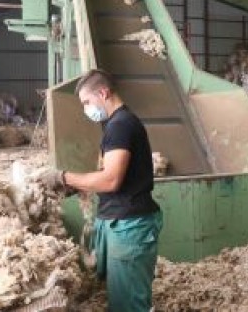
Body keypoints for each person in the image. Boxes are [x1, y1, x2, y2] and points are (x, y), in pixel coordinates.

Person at [45, 69, 162, 312]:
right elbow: (107, 176)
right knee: (120, 298)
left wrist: (64, 177)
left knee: (130, 304)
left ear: (103, 92)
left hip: (129, 225)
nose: (86, 109)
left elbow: (110, 181)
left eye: (87, 102)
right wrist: (80, 185)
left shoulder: (121, 125)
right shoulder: (116, 124)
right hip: (119, 221)